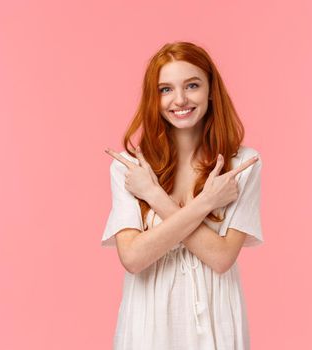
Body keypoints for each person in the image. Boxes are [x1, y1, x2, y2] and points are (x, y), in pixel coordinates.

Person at [102, 41, 263, 350]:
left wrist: (153, 196)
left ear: (211, 90)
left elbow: (221, 257)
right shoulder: (130, 169)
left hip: (216, 319)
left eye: (192, 85)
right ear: (153, 97)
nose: (180, 100)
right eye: (165, 89)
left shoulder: (241, 165)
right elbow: (133, 258)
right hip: (148, 322)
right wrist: (206, 203)